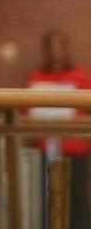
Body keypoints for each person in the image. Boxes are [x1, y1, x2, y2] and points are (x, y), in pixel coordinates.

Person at [25, 28, 91, 229]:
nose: (56, 50)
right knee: (46, 194)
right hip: (45, 149)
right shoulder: (35, 78)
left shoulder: (81, 76)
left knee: (75, 195)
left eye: (60, 44)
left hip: (75, 148)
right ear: (45, 50)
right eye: (51, 45)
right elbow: (25, 113)